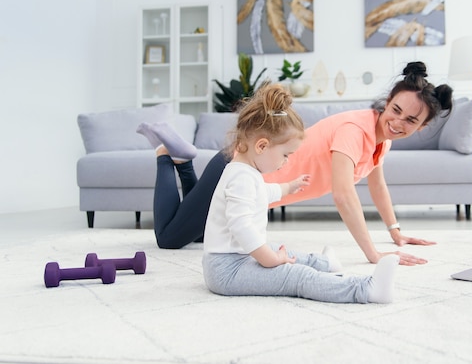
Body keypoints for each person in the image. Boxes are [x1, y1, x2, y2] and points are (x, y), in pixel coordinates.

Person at [138, 61, 453, 266]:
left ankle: (184, 161)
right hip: (235, 173)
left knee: (201, 233)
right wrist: (374, 255)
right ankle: (167, 158)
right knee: (168, 238)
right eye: (396, 110)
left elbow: (377, 184)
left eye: (411, 120)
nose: (398, 122)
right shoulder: (355, 130)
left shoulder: (379, 140)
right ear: (387, 103)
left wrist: (395, 231)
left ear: (422, 127)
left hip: (246, 188)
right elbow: (344, 195)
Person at [201, 83, 400, 303]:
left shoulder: (245, 172)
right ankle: (365, 290)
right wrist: (270, 260)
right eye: (286, 155)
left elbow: (262, 194)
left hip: (235, 258)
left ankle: (323, 262)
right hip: (227, 270)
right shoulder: (241, 178)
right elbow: (241, 226)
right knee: (296, 276)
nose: (286, 162)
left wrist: (288, 186)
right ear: (261, 146)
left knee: (277, 248)